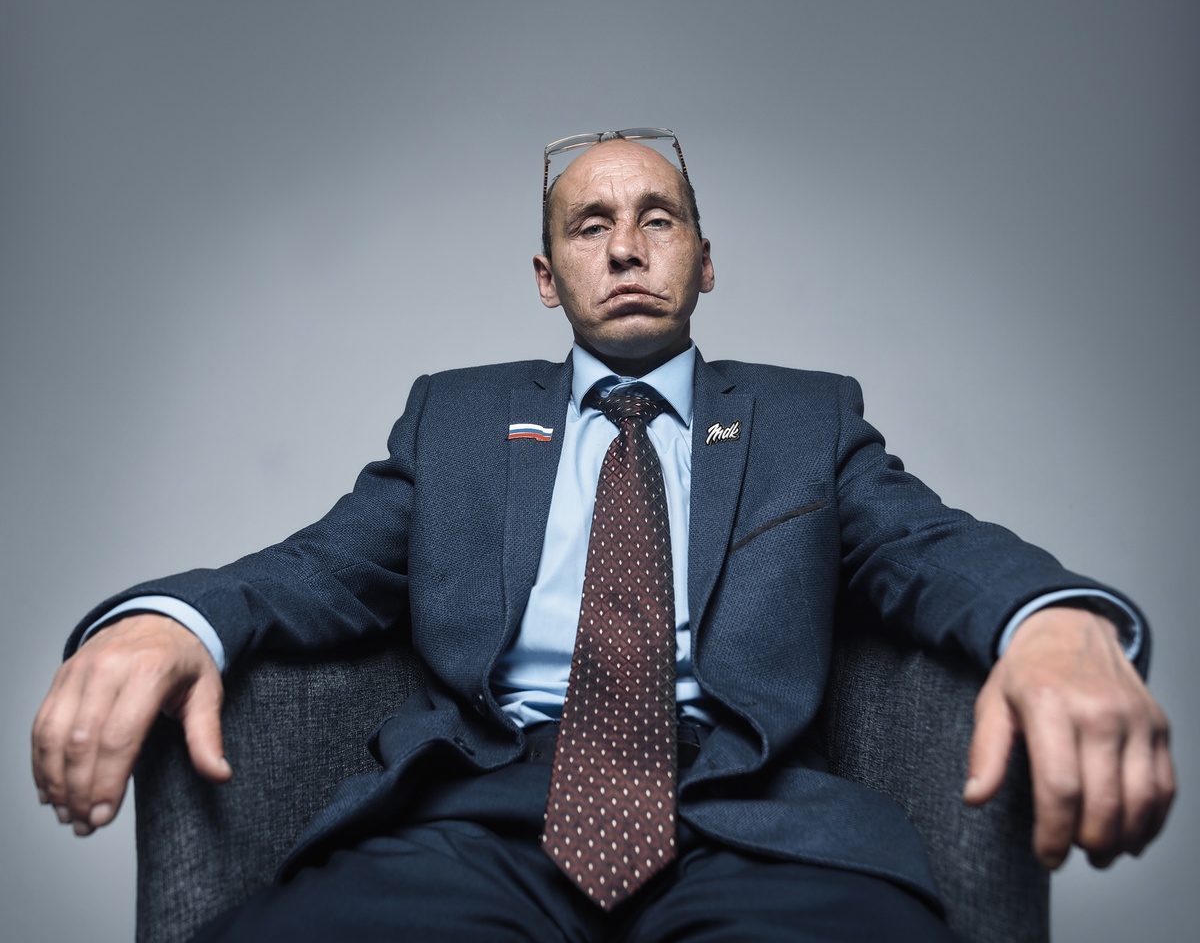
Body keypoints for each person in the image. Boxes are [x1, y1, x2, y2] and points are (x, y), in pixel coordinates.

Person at [32, 133, 1174, 941]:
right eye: (591, 225)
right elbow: (321, 568)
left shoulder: (805, 419)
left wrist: (1055, 621)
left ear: (705, 261)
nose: (626, 248)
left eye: (657, 219)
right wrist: (166, 622)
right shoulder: (457, 418)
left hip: (751, 819)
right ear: (549, 277)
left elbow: (924, 547)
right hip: (478, 813)